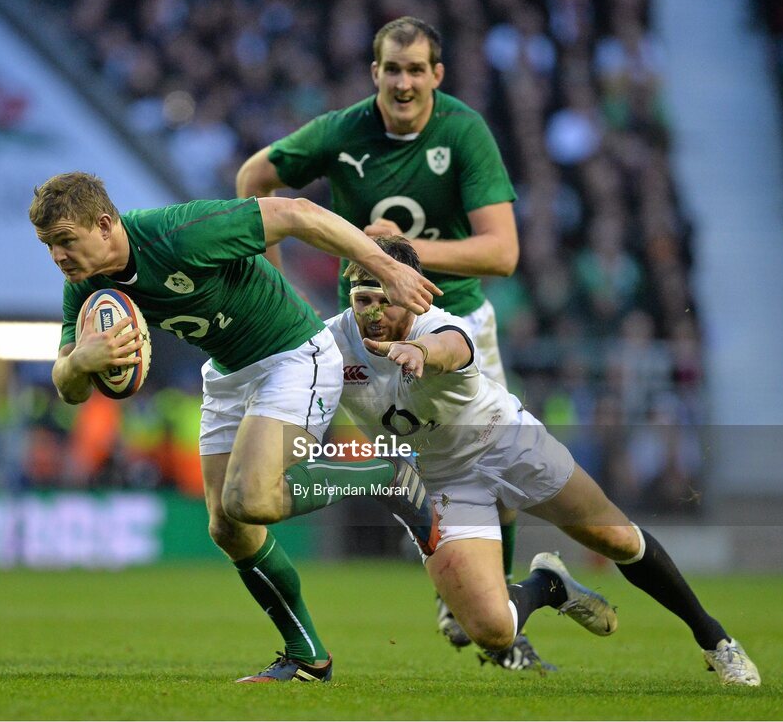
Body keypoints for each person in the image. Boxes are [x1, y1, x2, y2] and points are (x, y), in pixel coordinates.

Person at [29, 172, 444, 683]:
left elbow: (296, 214)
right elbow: (68, 386)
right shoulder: (84, 289)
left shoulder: (178, 233)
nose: (58, 256)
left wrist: (386, 269)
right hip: (227, 374)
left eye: (66, 240)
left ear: (105, 223)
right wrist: (80, 361)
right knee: (227, 527)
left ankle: (383, 475)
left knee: (251, 499)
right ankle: (308, 658)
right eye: (49, 245)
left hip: (293, 354)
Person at [321, 236, 760, 686]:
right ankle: (549, 584)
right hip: (441, 481)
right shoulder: (333, 342)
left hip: (508, 443)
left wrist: (419, 352)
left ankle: (716, 640)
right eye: (363, 300)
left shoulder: (442, 326)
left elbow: (453, 346)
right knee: (493, 633)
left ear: (413, 291)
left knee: (619, 541)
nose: (373, 313)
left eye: (386, 300)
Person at [236, 15, 535, 666]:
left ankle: (502, 611)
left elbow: (503, 253)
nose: (402, 83)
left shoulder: (462, 131)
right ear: (375, 73)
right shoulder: (344, 133)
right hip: (370, 328)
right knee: (412, 470)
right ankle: (474, 603)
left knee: (505, 483)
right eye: (390, 70)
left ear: (437, 74)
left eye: (414, 70)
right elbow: (254, 181)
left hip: (456, 324)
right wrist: (279, 294)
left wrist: (393, 252)